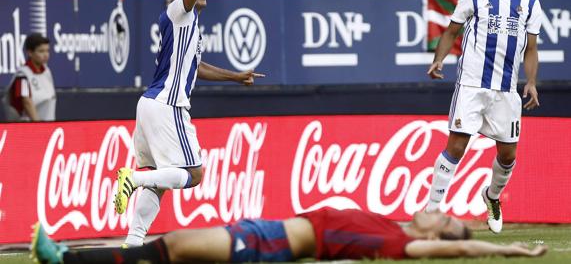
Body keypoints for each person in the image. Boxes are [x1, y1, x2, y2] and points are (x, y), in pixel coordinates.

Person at [112, 0, 265, 249]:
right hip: (168, 105)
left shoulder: (188, 23)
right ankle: (133, 180)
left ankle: (133, 241)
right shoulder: (180, 12)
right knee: (193, 174)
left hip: (151, 104)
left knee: (159, 179)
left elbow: (197, 66)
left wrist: (234, 77)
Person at [425, 0, 542, 235]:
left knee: (508, 157)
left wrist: (530, 81)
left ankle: (491, 197)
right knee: (456, 146)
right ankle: (430, 212)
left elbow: (531, 49)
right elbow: (451, 31)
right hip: (472, 85)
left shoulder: (530, 4)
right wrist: (439, 60)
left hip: (506, 91)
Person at [31, 207, 547, 263]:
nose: (439, 213)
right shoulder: (392, 226)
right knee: (167, 249)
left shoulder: (400, 245)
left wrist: (512, 248)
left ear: (436, 239)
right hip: (266, 233)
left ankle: (62, 260)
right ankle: (66, 258)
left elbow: (462, 247)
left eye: (446, 220)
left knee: (170, 248)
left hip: (270, 245)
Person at [2, 33, 56, 121]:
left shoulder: (47, 71)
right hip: (29, 128)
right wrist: (38, 124)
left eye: (47, 51)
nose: (46, 55)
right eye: (41, 51)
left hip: (49, 125)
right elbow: (27, 102)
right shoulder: (22, 75)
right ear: (30, 53)